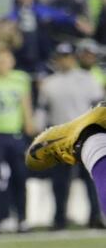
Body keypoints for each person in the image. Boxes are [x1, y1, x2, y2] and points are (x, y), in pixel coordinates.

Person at [36, 43, 104, 229]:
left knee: (92, 179)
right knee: (60, 182)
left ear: (74, 58)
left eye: (68, 57)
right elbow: (43, 111)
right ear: (56, 59)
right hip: (61, 137)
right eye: (61, 57)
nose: (65, 61)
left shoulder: (88, 79)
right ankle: (59, 219)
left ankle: (96, 217)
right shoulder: (50, 83)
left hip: (86, 135)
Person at [0, 46, 33, 232]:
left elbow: (26, 106)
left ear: (12, 62)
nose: (2, 65)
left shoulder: (20, 79)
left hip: (16, 136)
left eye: (5, 61)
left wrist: (31, 131)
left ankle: (22, 218)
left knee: (20, 177)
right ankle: (1, 217)